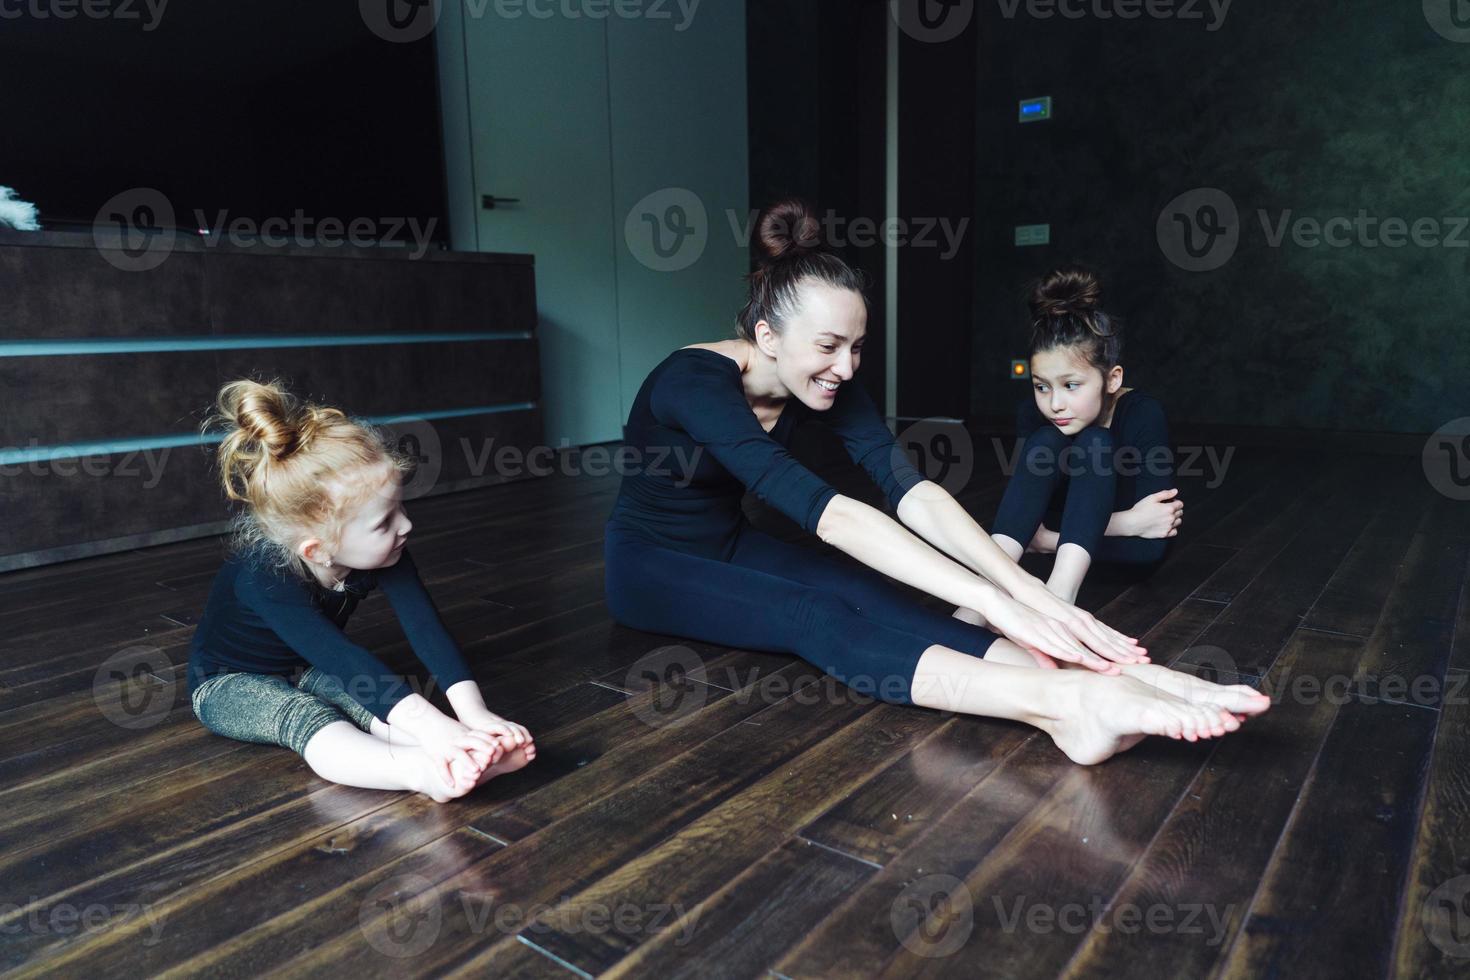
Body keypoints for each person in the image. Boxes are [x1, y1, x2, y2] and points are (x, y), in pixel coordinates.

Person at [603, 200, 1267, 765]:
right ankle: (1065, 707)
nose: (845, 365)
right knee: (816, 615)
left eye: (857, 347)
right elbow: (828, 515)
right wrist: (998, 598)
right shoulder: (694, 383)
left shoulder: (826, 383)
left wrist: (1026, 597)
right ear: (767, 335)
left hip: (730, 545)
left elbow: (911, 490)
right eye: (829, 345)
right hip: (652, 565)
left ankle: (1121, 678)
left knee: (879, 596)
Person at [187, 379, 534, 803]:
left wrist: (471, 717)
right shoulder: (261, 578)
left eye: (400, 507)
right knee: (304, 715)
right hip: (228, 683)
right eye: (384, 521)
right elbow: (342, 657)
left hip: (305, 667)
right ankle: (421, 771)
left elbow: (426, 628)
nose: (405, 526)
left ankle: (462, 755)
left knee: (362, 699)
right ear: (319, 548)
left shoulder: (385, 550)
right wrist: (432, 725)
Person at [983, 265, 1182, 609]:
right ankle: (982, 599)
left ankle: (1061, 599)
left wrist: (1048, 539)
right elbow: (1022, 524)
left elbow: (1151, 545)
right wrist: (1130, 522)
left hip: (1121, 566)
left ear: (1112, 379)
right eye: (1041, 386)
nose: (1055, 404)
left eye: (1071, 385)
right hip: (1050, 567)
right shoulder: (1035, 415)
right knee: (1048, 440)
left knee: (1095, 442)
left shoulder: (1142, 414)